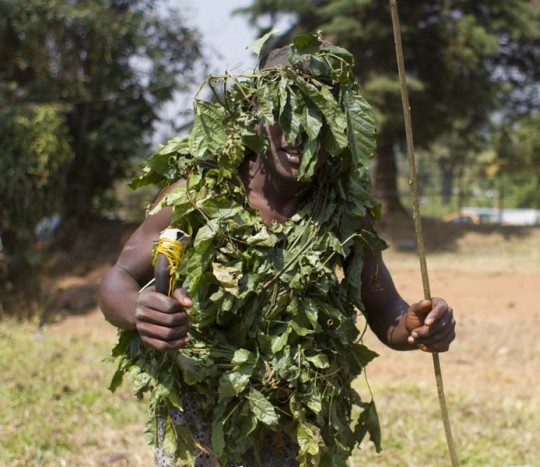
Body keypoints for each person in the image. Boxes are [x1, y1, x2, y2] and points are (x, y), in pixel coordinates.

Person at [99, 34, 456, 467]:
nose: (297, 135)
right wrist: (140, 309)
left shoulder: (342, 210)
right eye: (285, 113)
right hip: (204, 419)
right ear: (255, 115)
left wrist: (418, 325)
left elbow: (384, 310)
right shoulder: (199, 195)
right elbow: (118, 277)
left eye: (316, 118)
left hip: (299, 426)